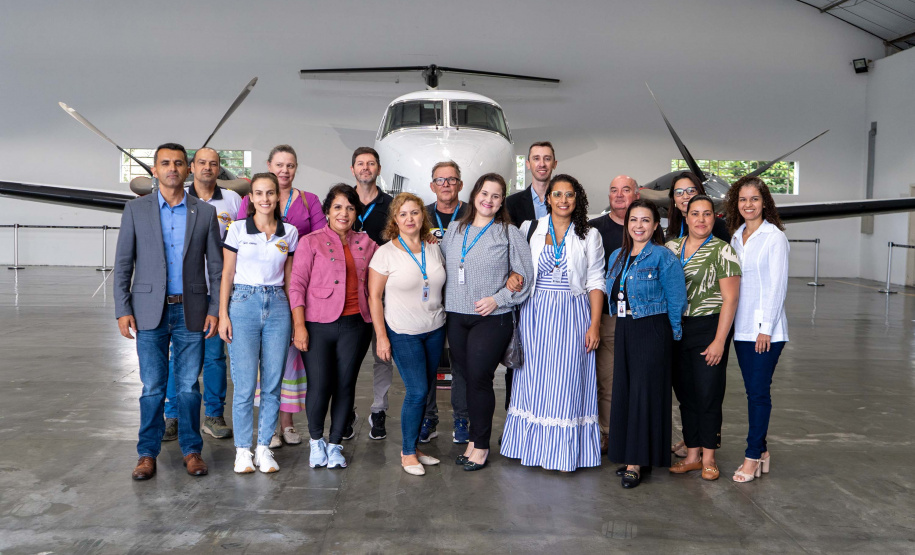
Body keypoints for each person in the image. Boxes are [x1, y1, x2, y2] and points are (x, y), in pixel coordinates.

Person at [114, 143, 223, 480]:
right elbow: (122, 265)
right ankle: (147, 454)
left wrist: (215, 308)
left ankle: (192, 451)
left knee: (190, 386)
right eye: (165, 163)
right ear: (154, 170)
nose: (172, 168)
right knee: (152, 388)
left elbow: (216, 268)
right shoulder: (135, 210)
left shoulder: (203, 212)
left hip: (191, 310)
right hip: (148, 311)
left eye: (178, 163)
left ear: (188, 169)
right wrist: (122, 308)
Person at [500, 175, 605, 472]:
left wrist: (594, 324)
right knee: (533, 380)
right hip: (535, 314)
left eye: (569, 195)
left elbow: (596, 280)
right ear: (548, 198)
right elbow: (514, 267)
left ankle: (563, 454)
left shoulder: (589, 235)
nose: (562, 200)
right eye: (557, 194)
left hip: (574, 313)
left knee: (568, 380)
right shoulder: (529, 229)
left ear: (577, 199)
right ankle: (531, 449)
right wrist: (511, 276)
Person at [440, 173, 534, 471]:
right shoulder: (455, 229)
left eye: (496, 196)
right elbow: (441, 265)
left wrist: (499, 299)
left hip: (491, 317)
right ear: (474, 194)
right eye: (484, 193)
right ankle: (472, 440)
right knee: (465, 378)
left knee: (480, 379)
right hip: (456, 316)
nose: (488, 200)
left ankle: (481, 446)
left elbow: (525, 275)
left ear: (501, 201)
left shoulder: (508, 232)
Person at [236, 145, 325, 449]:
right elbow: (237, 243)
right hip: (253, 292)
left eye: (290, 165)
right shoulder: (251, 203)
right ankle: (267, 430)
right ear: (269, 166)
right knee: (255, 368)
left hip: (291, 288)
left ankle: (285, 424)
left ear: (296, 168)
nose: (284, 170)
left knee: (286, 362)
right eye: (279, 165)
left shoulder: (308, 201)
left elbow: (319, 238)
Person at [290, 184, 378, 469]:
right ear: (327, 211)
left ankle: (336, 443)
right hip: (317, 325)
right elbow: (297, 285)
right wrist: (299, 326)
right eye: (338, 207)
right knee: (319, 384)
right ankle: (316, 442)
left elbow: (392, 262)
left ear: (356, 213)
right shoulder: (310, 241)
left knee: (345, 385)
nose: (344, 213)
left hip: (356, 325)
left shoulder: (367, 243)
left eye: (350, 208)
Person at [218, 173, 297, 474]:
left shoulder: (289, 233)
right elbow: (227, 274)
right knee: (245, 385)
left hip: (278, 306)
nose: (265, 199)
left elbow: (290, 279)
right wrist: (224, 314)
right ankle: (242, 451)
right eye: (259, 193)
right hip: (243, 304)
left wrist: (293, 317)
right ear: (250, 198)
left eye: (270, 193)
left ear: (278, 197)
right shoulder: (237, 229)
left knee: (273, 383)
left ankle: (263, 447)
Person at [605, 200, 687, 488]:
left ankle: (636, 463)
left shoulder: (663, 256)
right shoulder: (618, 254)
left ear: (655, 226)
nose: (639, 225)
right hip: (625, 327)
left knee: (643, 393)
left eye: (645, 220)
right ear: (627, 224)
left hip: (652, 328)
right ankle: (633, 454)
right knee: (626, 391)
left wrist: (673, 336)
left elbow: (677, 300)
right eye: (633, 220)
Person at [162, 147, 241, 442]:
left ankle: (214, 415)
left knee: (215, 356)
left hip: (218, 291)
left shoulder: (233, 201)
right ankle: (173, 415)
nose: (208, 167)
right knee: (177, 357)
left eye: (214, 163)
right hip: (183, 291)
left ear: (219, 168)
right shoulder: (179, 199)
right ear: (192, 167)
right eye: (202, 163)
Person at [368, 193, 446, 475]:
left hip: (435, 329)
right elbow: (374, 298)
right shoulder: (385, 253)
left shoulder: (433, 247)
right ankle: (407, 453)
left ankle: (415, 446)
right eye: (403, 214)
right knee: (417, 391)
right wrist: (382, 337)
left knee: (425, 392)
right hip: (403, 332)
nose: (410, 218)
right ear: (395, 220)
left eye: (414, 213)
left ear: (422, 217)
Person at [665, 195, 741, 481]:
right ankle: (693, 455)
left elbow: (730, 300)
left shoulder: (724, 251)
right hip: (676, 330)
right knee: (685, 397)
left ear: (714, 218)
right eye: (695, 213)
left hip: (708, 328)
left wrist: (720, 340)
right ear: (686, 217)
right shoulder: (671, 248)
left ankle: (709, 457)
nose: (700, 219)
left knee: (708, 395)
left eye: (707, 214)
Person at [725, 176, 789, 483]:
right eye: (742, 199)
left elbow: (778, 287)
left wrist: (765, 328)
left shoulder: (774, 237)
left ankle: (752, 456)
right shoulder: (736, 237)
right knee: (752, 391)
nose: (748, 205)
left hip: (766, 331)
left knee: (758, 394)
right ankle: (762, 451)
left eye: (754, 199)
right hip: (742, 328)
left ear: (764, 202)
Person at [587, 174, 639, 454]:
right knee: (606, 376)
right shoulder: (594, 229)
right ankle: (606, 432)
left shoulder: (647, 227)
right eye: (614, 190)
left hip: (642, 314)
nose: (619, 195)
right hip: (606, 314)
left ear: (637, 194)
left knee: (637, 378)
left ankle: (638, 430)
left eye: (626, 190)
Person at [419, 161, 469, 444]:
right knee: (428, 361)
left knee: (461, 361)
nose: (446, 184)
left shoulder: (472, 214)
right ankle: (429, 417)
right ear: (432, 185)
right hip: (429, 298)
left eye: (452, 180)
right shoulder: (421, 215)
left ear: (461, 185)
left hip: (463, 298)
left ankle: (462, 417)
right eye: (441, 180)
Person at [350, 146, 395, 441]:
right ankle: (347, 411)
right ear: (352, 168)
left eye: (371, 163)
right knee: (349, 358)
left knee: (383, 354)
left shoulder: (390, 204)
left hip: (385, 293)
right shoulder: (343, 201)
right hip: (349, 293)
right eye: (360, 164)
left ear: (379, 168)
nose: (365, 168)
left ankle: (379, 410)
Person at [665, 171, 730, 243]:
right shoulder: (673, 227)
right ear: (673, 198)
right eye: (679, 192)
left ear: (700, 193)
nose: (685, 196)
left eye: (691, 191)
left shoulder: (718, 226)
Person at [505, 141, 558, 225]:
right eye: (536, 158)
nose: (542, 164)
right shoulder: (511, 203)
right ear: (528, 164)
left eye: (547, 159)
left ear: (554, 164)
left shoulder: (564, 202)